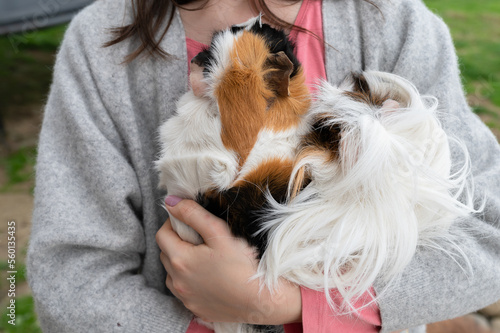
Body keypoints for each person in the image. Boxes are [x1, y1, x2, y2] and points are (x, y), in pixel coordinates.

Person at [27, 0, 500, 332]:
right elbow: (69, 277)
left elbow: (489, 231)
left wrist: (283, 304)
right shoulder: (99, 44)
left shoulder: (395, 22)